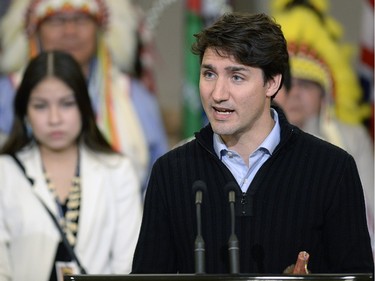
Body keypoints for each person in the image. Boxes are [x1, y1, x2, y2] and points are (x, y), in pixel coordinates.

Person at [131, 12, 374, 274]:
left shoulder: (332, 169)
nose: (218, 94)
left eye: (237, 77)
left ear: (272, 83)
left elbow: (356, 275)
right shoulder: (170, 172)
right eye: (210, 74)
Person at [0, 50, 143, 280]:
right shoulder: (5, 172)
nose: (54, 118)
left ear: (84, 107)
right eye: (40, 106)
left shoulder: (118, 171)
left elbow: (128, 267)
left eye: (67, 104)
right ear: (25, 111)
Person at [0, 0, 169, 192]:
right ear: (34, 29)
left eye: (81, 19)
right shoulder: (7, 96)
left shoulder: (134, 97)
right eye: (56, 20)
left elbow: (160, 182)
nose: (70, 31)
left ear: (99, 29)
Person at [271, 0, 374, 257]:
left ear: (324, 94)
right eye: (287, 84)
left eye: (306, 85)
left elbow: (370, 213)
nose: (294, 94)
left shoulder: (352, 138)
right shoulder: (247, 138)